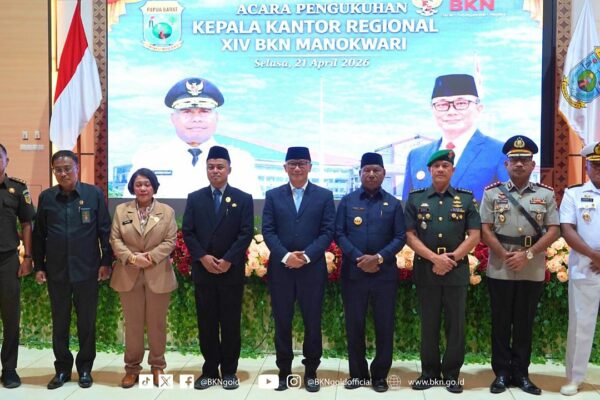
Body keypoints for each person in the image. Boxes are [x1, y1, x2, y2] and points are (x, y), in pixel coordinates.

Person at [480, 135, 559, 395]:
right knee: (501, 322)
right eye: (514, 159)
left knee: (524, 323)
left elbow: (554, 230)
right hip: (500, 266)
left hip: (531, 266)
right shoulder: (492, 193)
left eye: (524, 159)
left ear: (533, 164)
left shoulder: (545, 194)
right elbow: (485, 229)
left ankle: (522, 374)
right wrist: (505, 254)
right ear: (506, 164)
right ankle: (502, 374)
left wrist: (527, 255)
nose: (519, 164)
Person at [32, 150, 112, 390]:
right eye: (58, 170)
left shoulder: (93, 194)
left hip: (87, 270)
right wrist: (39, 266)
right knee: (60, 323)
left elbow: (104, 230)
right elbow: (39, 235)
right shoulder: (47, 197)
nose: (63, 173)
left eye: (67, 168)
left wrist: (106, 262)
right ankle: (63, 369)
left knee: (86, 322)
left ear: (77, 168)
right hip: (57, 272)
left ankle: (85, 368)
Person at [404, 149, 481, 394]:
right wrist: (434, 258)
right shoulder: (415, 198)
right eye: (436, 166)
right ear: (429, 170)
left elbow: (475, 235)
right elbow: (409, 235)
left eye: (445, 166)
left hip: (456, 270)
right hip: (427, 268)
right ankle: (428, 373)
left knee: (455, 325)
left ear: (452, 170)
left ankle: (451, 375)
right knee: (429, 323)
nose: (440, 169)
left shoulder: (466, 199)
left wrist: (452, 258)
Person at [262, 146, 335, 392]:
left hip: (312, 269)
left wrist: (306, 256)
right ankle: (284, 371)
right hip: (281, 270)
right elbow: (268, 230)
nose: (297, 168)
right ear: (285, 167)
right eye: (292, 163)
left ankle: (311, 371)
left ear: (310, 167)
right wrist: (285, 256)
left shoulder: (324, 196)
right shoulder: (273, 195)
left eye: (302, 163)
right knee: (282, 321)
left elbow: (327, 231)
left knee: (312, 322)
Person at [182, 146, 254, 390]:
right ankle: (210, 370)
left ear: (229, 169)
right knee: (207, 323)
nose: (215, 171)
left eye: (220, 167)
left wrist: (228, 259)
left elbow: (246, 233)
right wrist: (203, 257)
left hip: (230, 271)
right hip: (204, 271)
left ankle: (230, 371)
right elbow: (188, 232)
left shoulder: (243, 198)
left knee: (231, 323)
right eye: (211, 167)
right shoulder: (195, 198)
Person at [335, 152, 406, 393]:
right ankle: (357, 373)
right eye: (367, 170)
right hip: (354, 274)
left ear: (384, 174)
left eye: (376, 170)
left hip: (384, 275)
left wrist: (378, 258)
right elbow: (339, 233)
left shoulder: (393, 203)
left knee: (384, 326)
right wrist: (359, 258)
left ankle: (380, 376)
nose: (372, 174)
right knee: (354, 325)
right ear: (360, 173)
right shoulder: (347, 201)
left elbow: (400, 236)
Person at [124, 77, 260, 198]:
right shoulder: (148, 160)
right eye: (187, 111)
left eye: (204, 111)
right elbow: (130, 209)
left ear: (216, 117)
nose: (196, 119)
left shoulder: (241, 161)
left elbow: (254, 212)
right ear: (173, 118)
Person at [109, 168, 178, 388]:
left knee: (157, 324)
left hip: (158, 274)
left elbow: (170, 241)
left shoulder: (166, 211)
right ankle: (132, 369)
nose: (143, 188)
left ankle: (157, 366)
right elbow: (115, 239)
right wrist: (132, 258)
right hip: (128, 274)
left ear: (154, 186)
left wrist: (149, 257)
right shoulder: (121, 210)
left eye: (147, 184)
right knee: (133, 324)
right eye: (138, 184)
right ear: (132, 187)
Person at [402, 74, 509, 202]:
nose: (451, 112)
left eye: (461, 103)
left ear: (479, 108)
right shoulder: (416, 156)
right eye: (442, 104)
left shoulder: (500, 152)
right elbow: (407, 207)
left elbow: (511, 206)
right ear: (432, 110)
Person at [559, 141, 600, 396]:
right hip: (585, 268)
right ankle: (574, 378)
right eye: (596, 165)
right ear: (587, 167)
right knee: (581, 325)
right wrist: (594, 255)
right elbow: (567, 229)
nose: (599, 169)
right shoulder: (573, 194)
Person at [0, 144, 35, 388]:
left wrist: (28, 257)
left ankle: (9, 369)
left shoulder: (17, 189)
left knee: (11, 317)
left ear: (6, 160)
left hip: (7, 261)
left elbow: (26, 224)